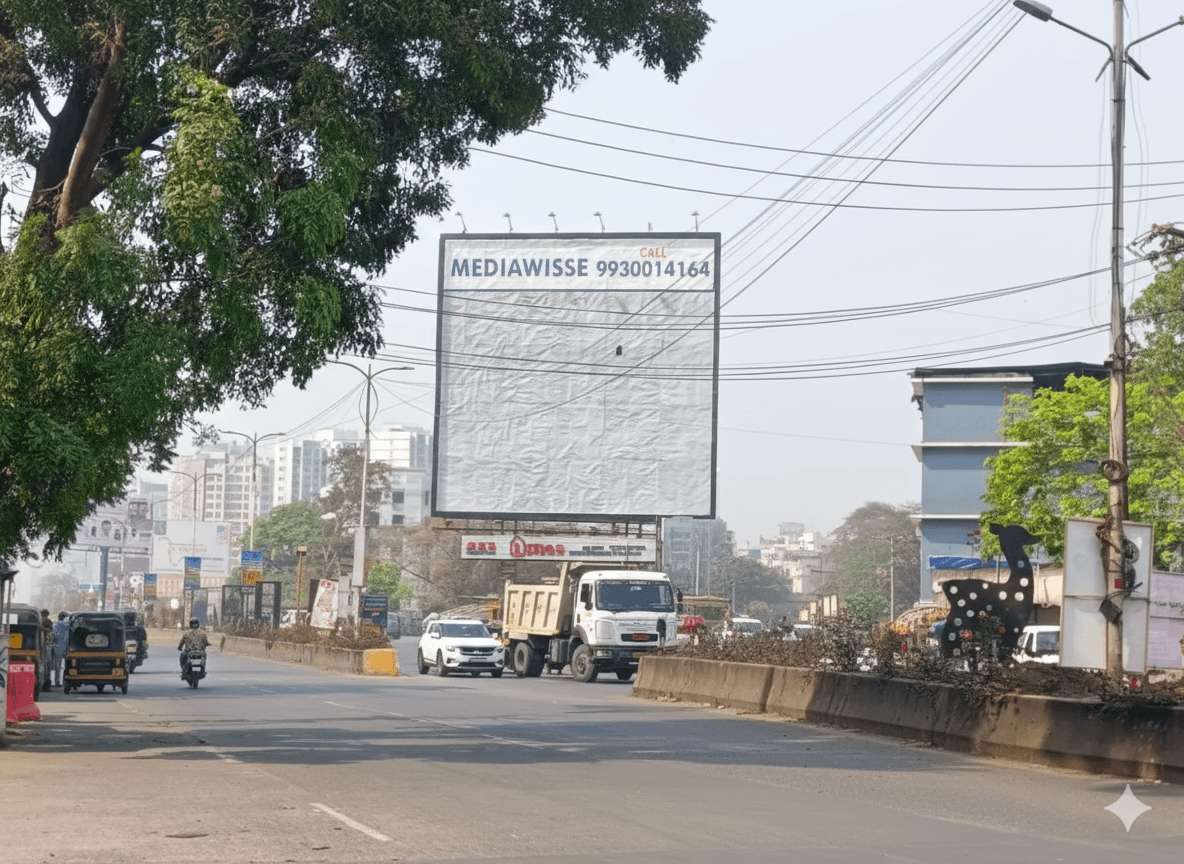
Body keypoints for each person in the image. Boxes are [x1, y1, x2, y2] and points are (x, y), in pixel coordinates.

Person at [51, 612, 69, 688]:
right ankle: (66, 681)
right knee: (67, 665)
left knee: (57, 666)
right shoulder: (67, 625)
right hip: (66, 647)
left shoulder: (55, 624)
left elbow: (53, 635)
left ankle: (57, 681)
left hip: (57, 647)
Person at [40, 609, 54, 688]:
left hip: (45, 645)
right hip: (43, 645)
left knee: (46, 665)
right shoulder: (39, 621)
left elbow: (50, 631)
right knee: (45, 665)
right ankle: (45, 682)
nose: (44, 616)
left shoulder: (47, 622)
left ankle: (46, 683)